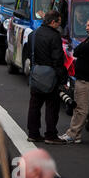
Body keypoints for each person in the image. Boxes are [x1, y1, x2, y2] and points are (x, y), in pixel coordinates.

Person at [26, 10, 68, 144]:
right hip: (50, 75)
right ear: (53, 22)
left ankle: (33, 133)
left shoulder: (34, 34)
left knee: (34, 106)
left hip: (36, 73)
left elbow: (29, 53)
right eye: (58, 22)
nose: (59, 25)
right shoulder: (54, 36)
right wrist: (62, 78)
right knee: (52, 106)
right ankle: (50, 134)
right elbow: (58, 59)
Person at [60, 17, 89, 143]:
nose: (86, 28)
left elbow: (79, 50)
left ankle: (72, 134)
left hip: (86, 80)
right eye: (86, 25)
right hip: (83, 78)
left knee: (80, 108)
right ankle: (76, 135)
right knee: (78, 107)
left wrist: (80, 51)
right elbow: (77, 51)